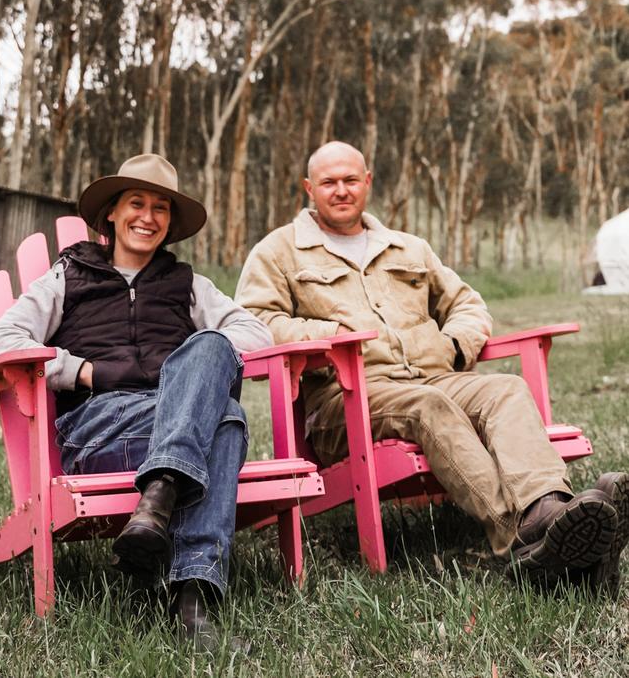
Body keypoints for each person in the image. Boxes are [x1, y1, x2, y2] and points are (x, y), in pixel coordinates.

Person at [236, 140, 629, 592]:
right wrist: (330, 335)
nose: (341, 190)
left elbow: (468, 304)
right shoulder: (279, 252)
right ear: (309, 188)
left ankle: (551, 512)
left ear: (367, 183)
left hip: (436, 375)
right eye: (329, 182)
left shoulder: (408, 247)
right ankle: (519, 535)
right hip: (347, 400)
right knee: (427, 405)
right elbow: (256, 323)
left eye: (350, 180)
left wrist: (454, 344)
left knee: (505, 389)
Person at [0, 154, 273, 648]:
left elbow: (256, 336)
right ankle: (192, 597)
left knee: (215, 355)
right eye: (137, 203)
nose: (148, 216)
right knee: (224, 420)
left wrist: (186, 372)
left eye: (161, 207)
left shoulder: (187, 285)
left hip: (170, 418)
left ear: (170, 223)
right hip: (97, 430)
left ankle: (159, 508)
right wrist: (83, 370)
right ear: (111, 214)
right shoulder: (67, 277)